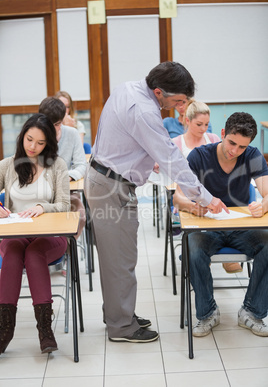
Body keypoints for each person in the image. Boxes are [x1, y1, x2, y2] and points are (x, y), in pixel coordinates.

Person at [84, 61, 228, 344]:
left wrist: (149, 161)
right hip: (111, 187)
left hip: (105, 178)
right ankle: (121, 327)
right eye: (178, 101)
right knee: (120, 260)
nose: (181, 108)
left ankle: (117, 314)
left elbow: (128, 140)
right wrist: (206, 198)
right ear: (159, 91)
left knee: (117, 258)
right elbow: (172, 159)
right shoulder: (146, 111)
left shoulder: (130, 88)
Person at [173, 112, 268, 337]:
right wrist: (196, 206)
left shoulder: (253, 156)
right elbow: (177, 198)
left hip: (241, 227)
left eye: (242, 147)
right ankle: (207, 314)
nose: (235, 151)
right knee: (193, 250)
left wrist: (263, 205)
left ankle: (251, 312)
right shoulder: (199, 156)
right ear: (222, 134)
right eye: (232, 143)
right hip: (207, 226)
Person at [0, 113, 70, 354]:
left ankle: (45, 329)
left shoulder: (57, 165)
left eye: (40, 143)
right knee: (14, 252)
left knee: (34, 253)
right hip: (15, 234)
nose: (33, 147)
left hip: (51, 236)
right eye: (29, 140)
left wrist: (43, 207)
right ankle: (4, 328)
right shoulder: (8, 165)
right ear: (22, 137)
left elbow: (64, 204)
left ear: (48, 143)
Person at [172, 101, 242, 273]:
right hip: (188, 196)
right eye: (199, 124)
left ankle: (217, 254)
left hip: (214, 193)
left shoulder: (214, 139)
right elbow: (176, 182)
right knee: (202, 215)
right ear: (187, 121)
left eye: (206, 124)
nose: (204, 128)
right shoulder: (176, 143)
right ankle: (203, 255)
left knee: (225, 209)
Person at [39, 97, 87, 239]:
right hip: (40, 194)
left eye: (57, 124)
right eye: (49, 124)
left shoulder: (72, 134)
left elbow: (81, 165)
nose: (53, 129)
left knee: (80, 215)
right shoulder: (35, 135)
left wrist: (68, 176)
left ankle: (65, 249)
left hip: (67, 191)